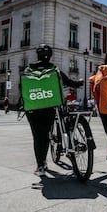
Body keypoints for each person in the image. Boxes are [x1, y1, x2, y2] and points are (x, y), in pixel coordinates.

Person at [24, 44, 83, 177]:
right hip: (49, 107)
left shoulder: (28, 70)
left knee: (37, 136)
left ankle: (40, 166)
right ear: (50, 55)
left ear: (37, 55)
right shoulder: (53, 69)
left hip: (32, 109)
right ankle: (43, 162)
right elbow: (68, 82)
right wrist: (79, 83)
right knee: (45, 135)